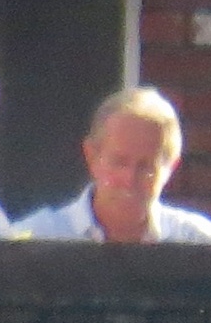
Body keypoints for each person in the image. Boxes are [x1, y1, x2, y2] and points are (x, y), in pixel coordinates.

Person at [11, 87, 211, 244]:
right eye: (119, 162)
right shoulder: (35, 239)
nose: (130, 179)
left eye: (146, 167)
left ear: (171, 168)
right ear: (91, 156)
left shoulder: (198, 244)